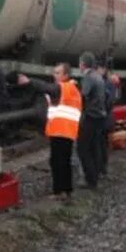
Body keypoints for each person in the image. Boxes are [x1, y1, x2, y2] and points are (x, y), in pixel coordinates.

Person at [17, 65, 81, 198]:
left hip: (61, 130)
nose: (54, 75)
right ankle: (66, 191)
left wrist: (29, 81)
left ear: (65, 75)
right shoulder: (71, 88)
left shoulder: (63, 87)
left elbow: (45, 87)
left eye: (57, 73)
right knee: (63, 161)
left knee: (58, 161)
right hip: (65, 130)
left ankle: (59, 192)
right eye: (54, 72)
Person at [76, 52, 107, 189]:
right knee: (95, 147)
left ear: (82, 64)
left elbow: (82, 96)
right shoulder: (98, 76)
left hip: (90, 117)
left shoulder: (88, 77)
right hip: (99, 117)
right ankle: (96, 176)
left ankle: (90, 180)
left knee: (83, 149)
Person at [98, 60, 119, 176]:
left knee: (102, 144)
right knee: (102, 144)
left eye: (99, 69)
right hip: (104, 119)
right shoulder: (108, 84)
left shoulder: (107, 84)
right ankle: (101, 168)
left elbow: (109, 102)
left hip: (103, 119)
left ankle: (102, 168)